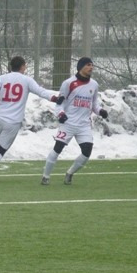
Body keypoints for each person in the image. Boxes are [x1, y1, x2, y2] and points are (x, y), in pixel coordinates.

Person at [0, 55, 59, 183]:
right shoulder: (27, 80)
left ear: (11, 66)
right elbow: (40, 91)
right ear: (22, 66)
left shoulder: (2, 78)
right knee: (1, 149)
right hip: (13, 121)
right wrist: (54, 98)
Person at [41, 57, 108, 185]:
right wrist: (61, 114)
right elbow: (59, 103)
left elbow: (94, 104)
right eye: (88, 65)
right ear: (80, 67)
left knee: (87, 151)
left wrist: (100, 111)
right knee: (58, 148)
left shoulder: (94, 84)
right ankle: (45, 176)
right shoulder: (68, 83)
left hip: (84, 125)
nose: (91, 67)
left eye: (92, 65)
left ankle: (70, 173)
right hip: (68, 123)